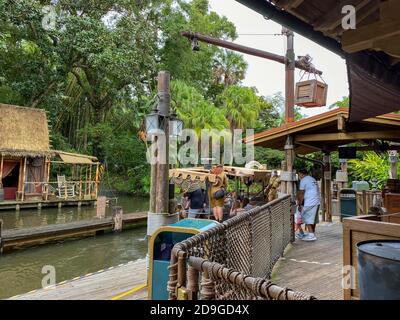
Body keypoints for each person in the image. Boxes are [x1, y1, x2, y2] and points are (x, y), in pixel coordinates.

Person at [296, 168, 320, 241]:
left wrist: (299, 204)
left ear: (301, 174)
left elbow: (301, 193)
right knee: (313, 219)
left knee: (307, 218)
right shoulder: (312, 179)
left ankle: (311, 235)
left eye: (299, 174)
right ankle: (312, 233)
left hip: (310, 202)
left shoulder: (303, 180)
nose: (299, 176)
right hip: (317, 201)